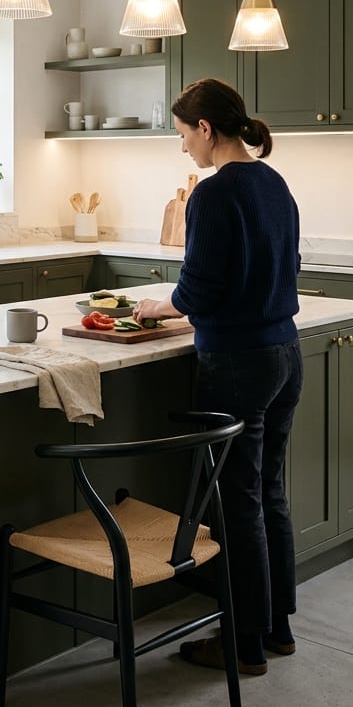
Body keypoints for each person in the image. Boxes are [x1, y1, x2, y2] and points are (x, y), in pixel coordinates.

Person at [133, 77, 303, 676]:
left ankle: (244, 644)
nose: (184, 148)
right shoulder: (274, 183)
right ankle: (277, 626)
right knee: (270, 494)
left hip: (237, 363)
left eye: (183, 135)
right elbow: (278, 271)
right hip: (285, 353)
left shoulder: (213, 193)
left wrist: (164, 307)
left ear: (205, 129)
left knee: (235, 506)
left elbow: (200, 288)